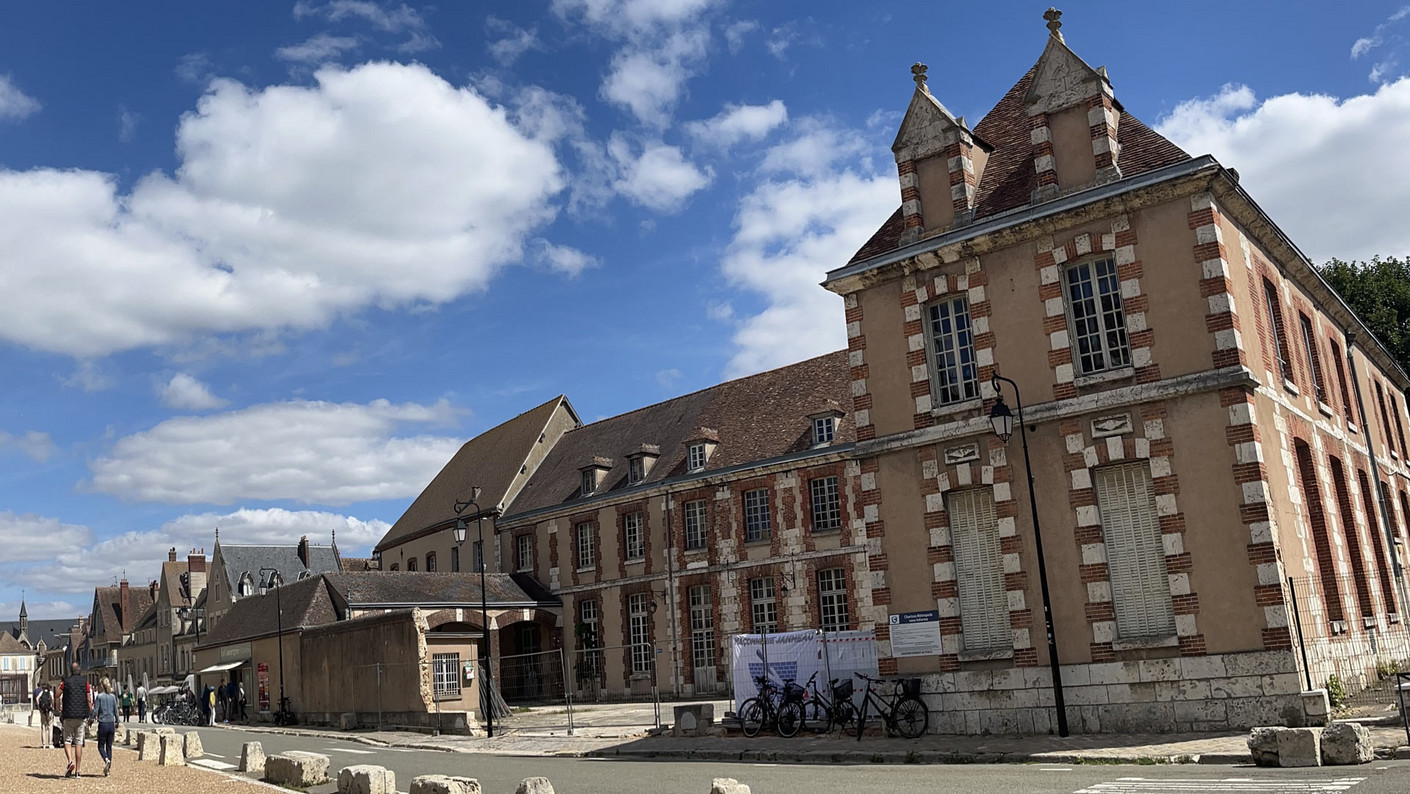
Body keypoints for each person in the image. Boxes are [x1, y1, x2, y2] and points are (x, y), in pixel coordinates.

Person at [57, 662, 93, 778]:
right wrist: (91, 712)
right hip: (81, 715)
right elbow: (88, 699)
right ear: (79, 670)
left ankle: (70, 761)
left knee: (67, 740)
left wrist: (61, 686)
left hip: (68, 715)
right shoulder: (85, 682)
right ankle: (78, 771)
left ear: (71, 671)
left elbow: (57, 694)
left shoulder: (66, 682)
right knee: (78, 741)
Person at [93, 678, 119, 777]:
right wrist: (117, 721)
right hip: (111, 723)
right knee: (109, 747)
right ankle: (108, 771)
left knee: (100, 746)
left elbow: (95, 710)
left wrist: (91, 719)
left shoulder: (99, 697)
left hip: (103, 723)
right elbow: (116, 710)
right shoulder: (113, 697)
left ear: (101, 686)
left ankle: (106, 759)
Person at [36, 684, 53, 749]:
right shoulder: (50, 692)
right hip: (49, 711)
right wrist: (52, 706)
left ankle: (44, 744)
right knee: (50, 727)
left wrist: (39, 707)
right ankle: (50, 743)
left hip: (43, 711)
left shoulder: (41, 693)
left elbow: (37, 698)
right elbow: (52, 699)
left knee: (43, 727)